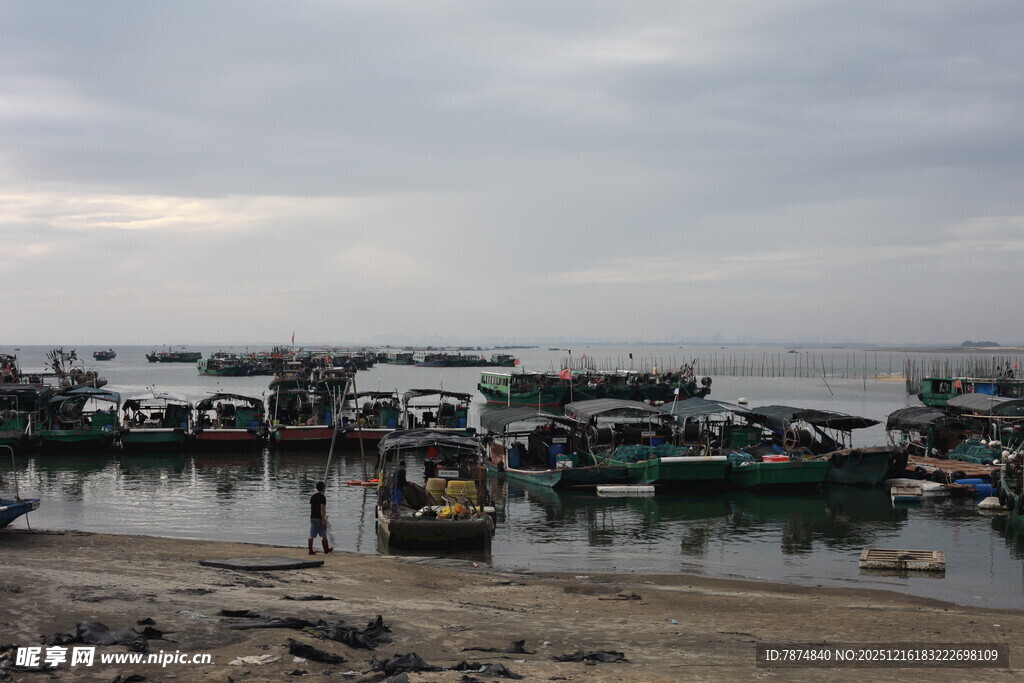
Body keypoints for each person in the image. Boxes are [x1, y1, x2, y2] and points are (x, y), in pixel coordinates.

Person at [308, 481, 332, 555]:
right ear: (323, 488)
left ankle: (310, 550)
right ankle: (326, 549)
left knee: (311, 534)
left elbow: (312, 507)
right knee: (323, 533)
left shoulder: (313, 496)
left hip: (312, 517)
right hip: (319, 517)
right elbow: (322, 509)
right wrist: (323, 519)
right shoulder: (322, 497)